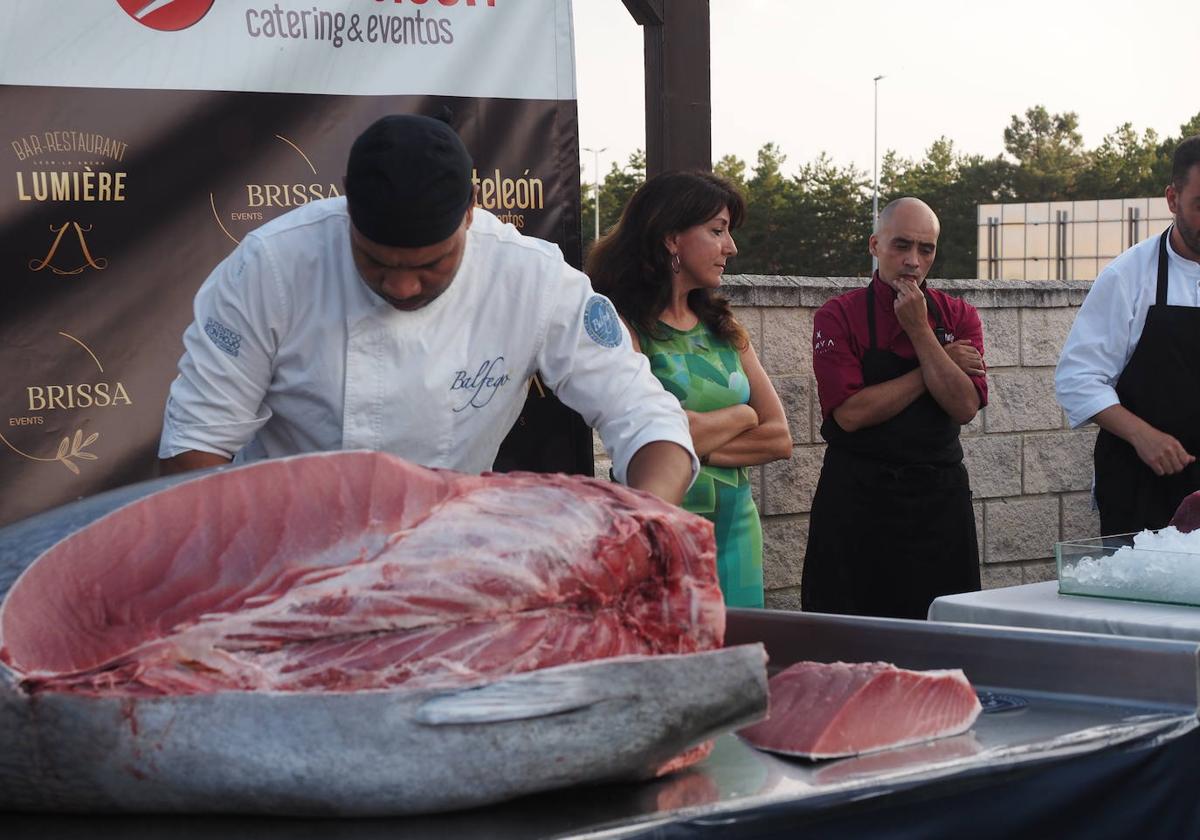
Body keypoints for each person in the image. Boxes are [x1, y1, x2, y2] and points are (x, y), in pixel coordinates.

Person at [158, 114, 697, 504]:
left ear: (469, 212)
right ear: (348, 207)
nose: (403, 285)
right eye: (373, 261)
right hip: (282, 551)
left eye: (431, 265)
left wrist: (649, 521)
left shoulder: (531, 278)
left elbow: (641, 413)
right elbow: (194, 448)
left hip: (446, 552)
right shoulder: (270, 268)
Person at [587, 171, 793, 608]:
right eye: (717, 231)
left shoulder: (725, 327)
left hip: (737, 531)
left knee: (739, 658)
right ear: (671, 239)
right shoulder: (623, 326)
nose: (730, 247)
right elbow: (653, 435)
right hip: (665, 530)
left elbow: (779, 436)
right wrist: (741, 416)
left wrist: (693, 439)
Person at [802, 197, 987, 620]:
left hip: (938, 503)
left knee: (942, 639)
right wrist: (937, 364)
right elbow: (850, 413)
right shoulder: (838, 316)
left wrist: (920, 332)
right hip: (856, 503)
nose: (912, 261)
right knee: (847, 640)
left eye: (926, 249)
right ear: (875, 245)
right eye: (901, 246)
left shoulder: (959, 316)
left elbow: (963, 406)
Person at [1055, 135, 1200, 535]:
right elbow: (1077, 379)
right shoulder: (1128, 276)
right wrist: (1143, 435)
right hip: (1141, 492)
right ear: (1172, 199)